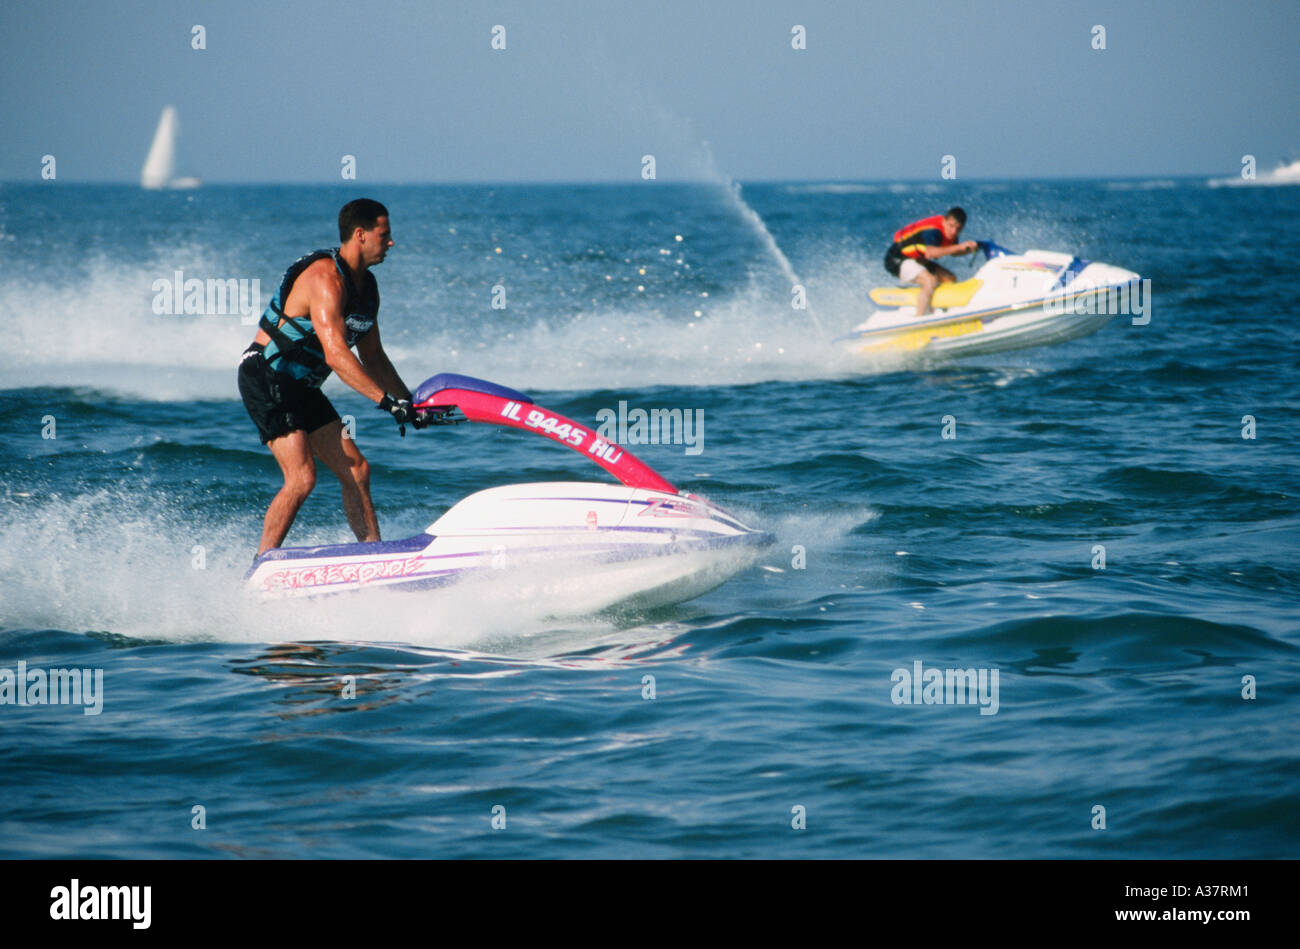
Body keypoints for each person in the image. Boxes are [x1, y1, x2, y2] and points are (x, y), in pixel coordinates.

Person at [237, 198, 423, 556]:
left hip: (301, 386)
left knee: (358, 470)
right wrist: (385, 402)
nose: (391, 242)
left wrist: (409, 403)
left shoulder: (366, 288)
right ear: (360, 235)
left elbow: (374, 358)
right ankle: (262, 566)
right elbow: (337, 354)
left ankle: (373, 556)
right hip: (267, 376)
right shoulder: (324, 279)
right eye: (384, 234)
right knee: (303, 478)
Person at [883, 206, 978, 316]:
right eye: (951, 226)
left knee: (949, 278)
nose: (953, 231)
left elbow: (954, 252)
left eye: (958, 229)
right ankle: (919, 319)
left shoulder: (952, 233)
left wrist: (973, 248)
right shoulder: (934, 231)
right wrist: (960, 247)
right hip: (897, 260)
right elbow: (931, 252)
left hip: (917, 260)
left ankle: (941, 311)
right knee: (929, 280)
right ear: (944, 221)